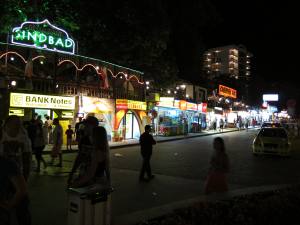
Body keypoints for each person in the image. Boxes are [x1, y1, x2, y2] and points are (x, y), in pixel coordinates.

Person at [68, 116, 99, 186]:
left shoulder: (98, 140)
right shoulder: (84, 139)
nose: (85, 127)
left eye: (87, 125)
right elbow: (79, 157)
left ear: (93, 126)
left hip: (95, 176)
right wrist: (72, 172)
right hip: (84, 174)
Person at [0, 157, 31, 225]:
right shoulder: (7, 163)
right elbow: (22, 190)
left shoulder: (6, 163)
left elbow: (22, 190)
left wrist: (9, 206)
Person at [0, 116, 32, 181]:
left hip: (16, 172)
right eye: (15, 124)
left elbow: (27, 159)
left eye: (19, 124)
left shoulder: (24, 138)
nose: (18, 126)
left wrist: (25, 177)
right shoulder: (1, 135)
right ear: (6, 125)